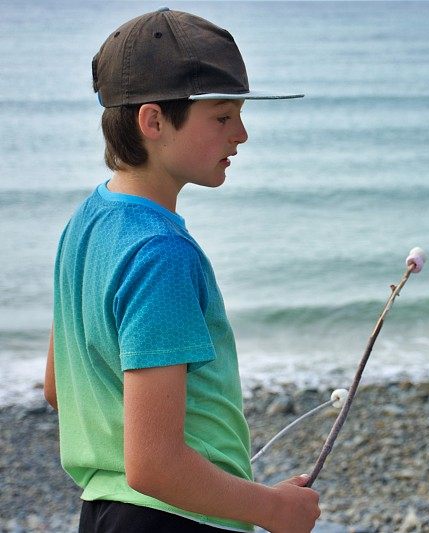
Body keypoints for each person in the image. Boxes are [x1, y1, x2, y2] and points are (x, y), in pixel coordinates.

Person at [43, 8, 320, 532]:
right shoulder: (160, 252)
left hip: (102, 513)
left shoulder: (85, 222)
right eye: (221, 117)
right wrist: (272, 508)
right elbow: (155, 466)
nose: (241, 134)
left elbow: (61, 389)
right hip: (173, 521)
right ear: (152, 122)